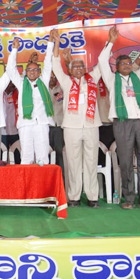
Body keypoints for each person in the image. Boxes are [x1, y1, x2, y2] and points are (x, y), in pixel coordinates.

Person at [98, 26, 140, 210]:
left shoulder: (139, 76)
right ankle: (129, 199)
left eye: (128, 64)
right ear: (116, 67)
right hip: (122, 123)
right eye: (122, 64)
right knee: (125, 161)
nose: (126, 66)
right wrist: (111, 41)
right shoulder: (111, 80)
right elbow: (102, 59)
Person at [51, 29, 102, 208]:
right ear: (71, 70)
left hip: (91, 126)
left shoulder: (93, 79)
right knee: (72, 162)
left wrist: (110, 41)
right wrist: (57, 43)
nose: (79, 69)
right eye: (75, 67)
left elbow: (102, 62)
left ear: (86, 69)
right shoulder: (66, 82)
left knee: (91, 161)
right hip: (71, 127)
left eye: (81, 66)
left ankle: (92, 196)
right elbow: (55, 64)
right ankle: (73, 196)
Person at [6, 36, 54, 164]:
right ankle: (26, 184)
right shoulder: (21, 83)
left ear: (39, 72)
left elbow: (48, 63)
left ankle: (42, 184)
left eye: (35, 69)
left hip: (41, 123)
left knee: (42, 158)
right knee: (26, 158)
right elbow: (10, 69)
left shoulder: (43, 81)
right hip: (26, 124)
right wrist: (14, 50)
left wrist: (50, 44)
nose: (32, 72)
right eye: (29, 69)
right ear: (25, 72)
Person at [48, 71, 64, 174]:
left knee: (60, 154)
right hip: (46, 127)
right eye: (50, 76)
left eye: (54, 76)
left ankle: (61, 178)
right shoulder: (42, 90)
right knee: (47, 154)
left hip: (59, 126)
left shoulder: (62, 89)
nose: (52, 78)